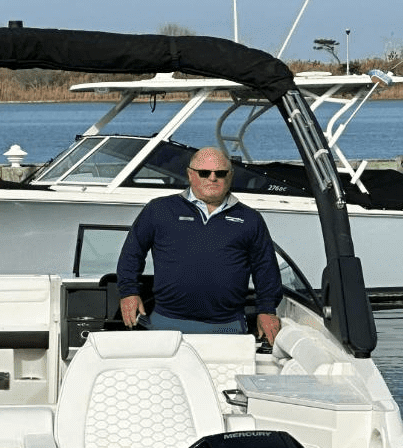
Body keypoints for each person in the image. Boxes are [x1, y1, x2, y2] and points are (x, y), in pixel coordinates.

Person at [116, 146, 282, 344]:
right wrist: (128, 293)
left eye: (220, 173)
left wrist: (267, 310)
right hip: (167, 322)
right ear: (190, 174)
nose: (213, 178)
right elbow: (132, 254)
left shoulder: (250, 219)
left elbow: (265, 268)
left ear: (230, 176)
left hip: (228, 325)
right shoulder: (159, 209)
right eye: (204, 173)